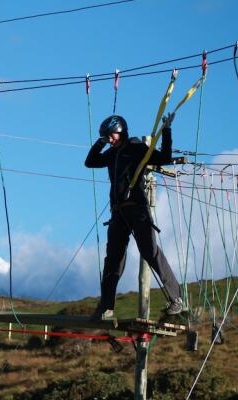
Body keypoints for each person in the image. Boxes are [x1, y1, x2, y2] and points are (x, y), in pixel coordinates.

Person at [84, 114, 183, 321]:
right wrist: (99, 142)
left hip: (137, 209)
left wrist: (167, 131)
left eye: (110, 136)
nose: (109, 140)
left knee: (150, 251)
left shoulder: (137, 149)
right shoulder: (111, 154)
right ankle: (106, 307)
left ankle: (176, 299)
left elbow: (164, 157)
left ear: (120, 132)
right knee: (113, 260)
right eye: (106, 138)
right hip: (118, 213)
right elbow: (90, 162)